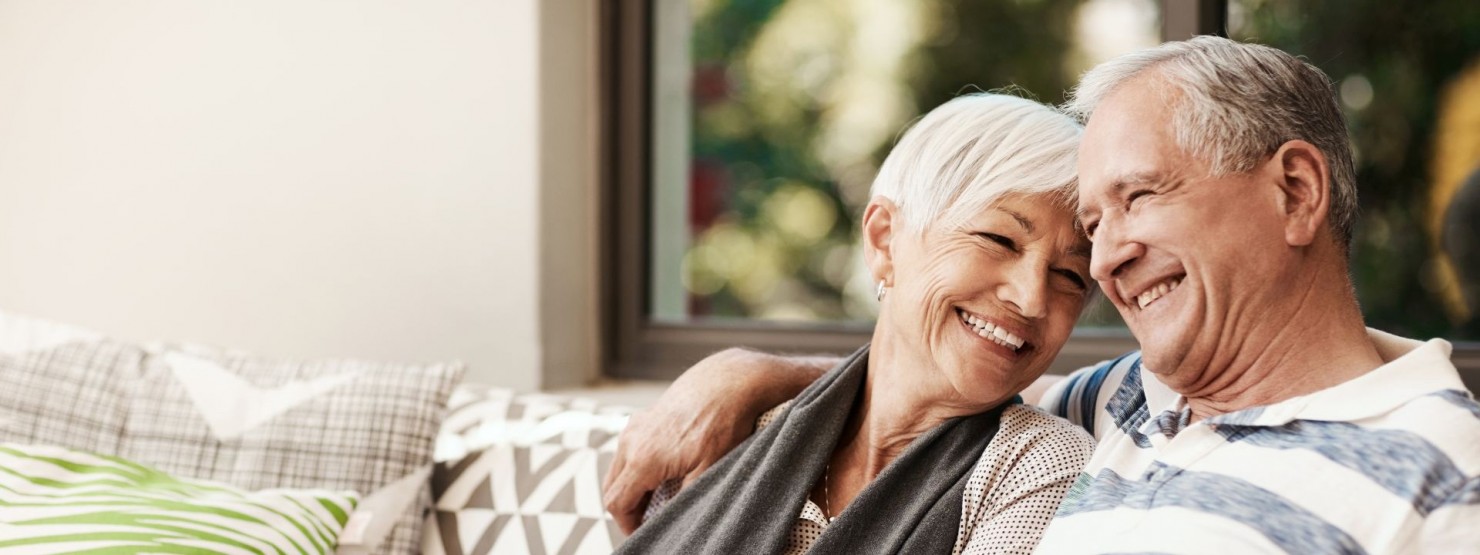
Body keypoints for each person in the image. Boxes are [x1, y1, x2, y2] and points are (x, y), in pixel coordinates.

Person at [605, 36, 1480, 553]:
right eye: (1095, 227)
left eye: (1138, 197)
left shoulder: (1440, 471)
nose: (1104, 263)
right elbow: (936, 380)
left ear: (1294, 191)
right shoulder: (1129, 398)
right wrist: (749, 371)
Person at [616, 93, 1097, 554]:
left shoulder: (1039, 465)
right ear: (885, 241)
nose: (1033, 298)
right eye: (999, 239)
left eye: (1070, 275)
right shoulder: (736, 430)